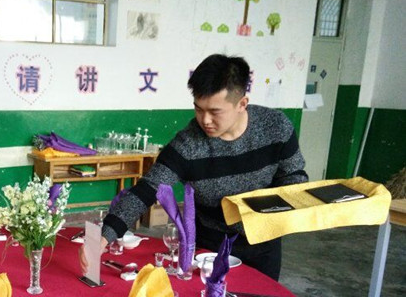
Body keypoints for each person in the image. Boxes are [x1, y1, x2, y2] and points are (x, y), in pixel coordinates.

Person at [81, 54, 308, 280]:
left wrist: (277, 209)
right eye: (198, 109)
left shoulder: (276, 128)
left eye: (215, 112)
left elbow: (294, 176)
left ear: (241, 104)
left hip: (263, 247)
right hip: (207, 252)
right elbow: (146, 190)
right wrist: (105, 235)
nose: (205, 120)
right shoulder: (188, 145)